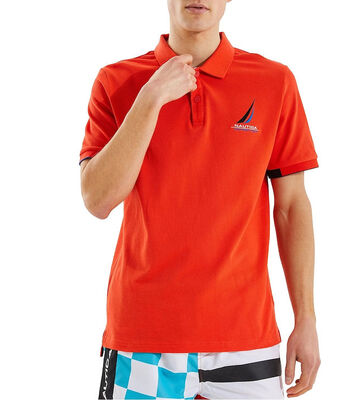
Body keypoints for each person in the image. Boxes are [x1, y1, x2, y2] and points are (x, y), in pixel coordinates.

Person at [79, 1, 321, 398]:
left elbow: (292, 207)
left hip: (247, 337)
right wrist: (150, 97)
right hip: (143, 337)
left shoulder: (274, 81)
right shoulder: (117, 80)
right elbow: (97, 200)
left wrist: (306, 319)